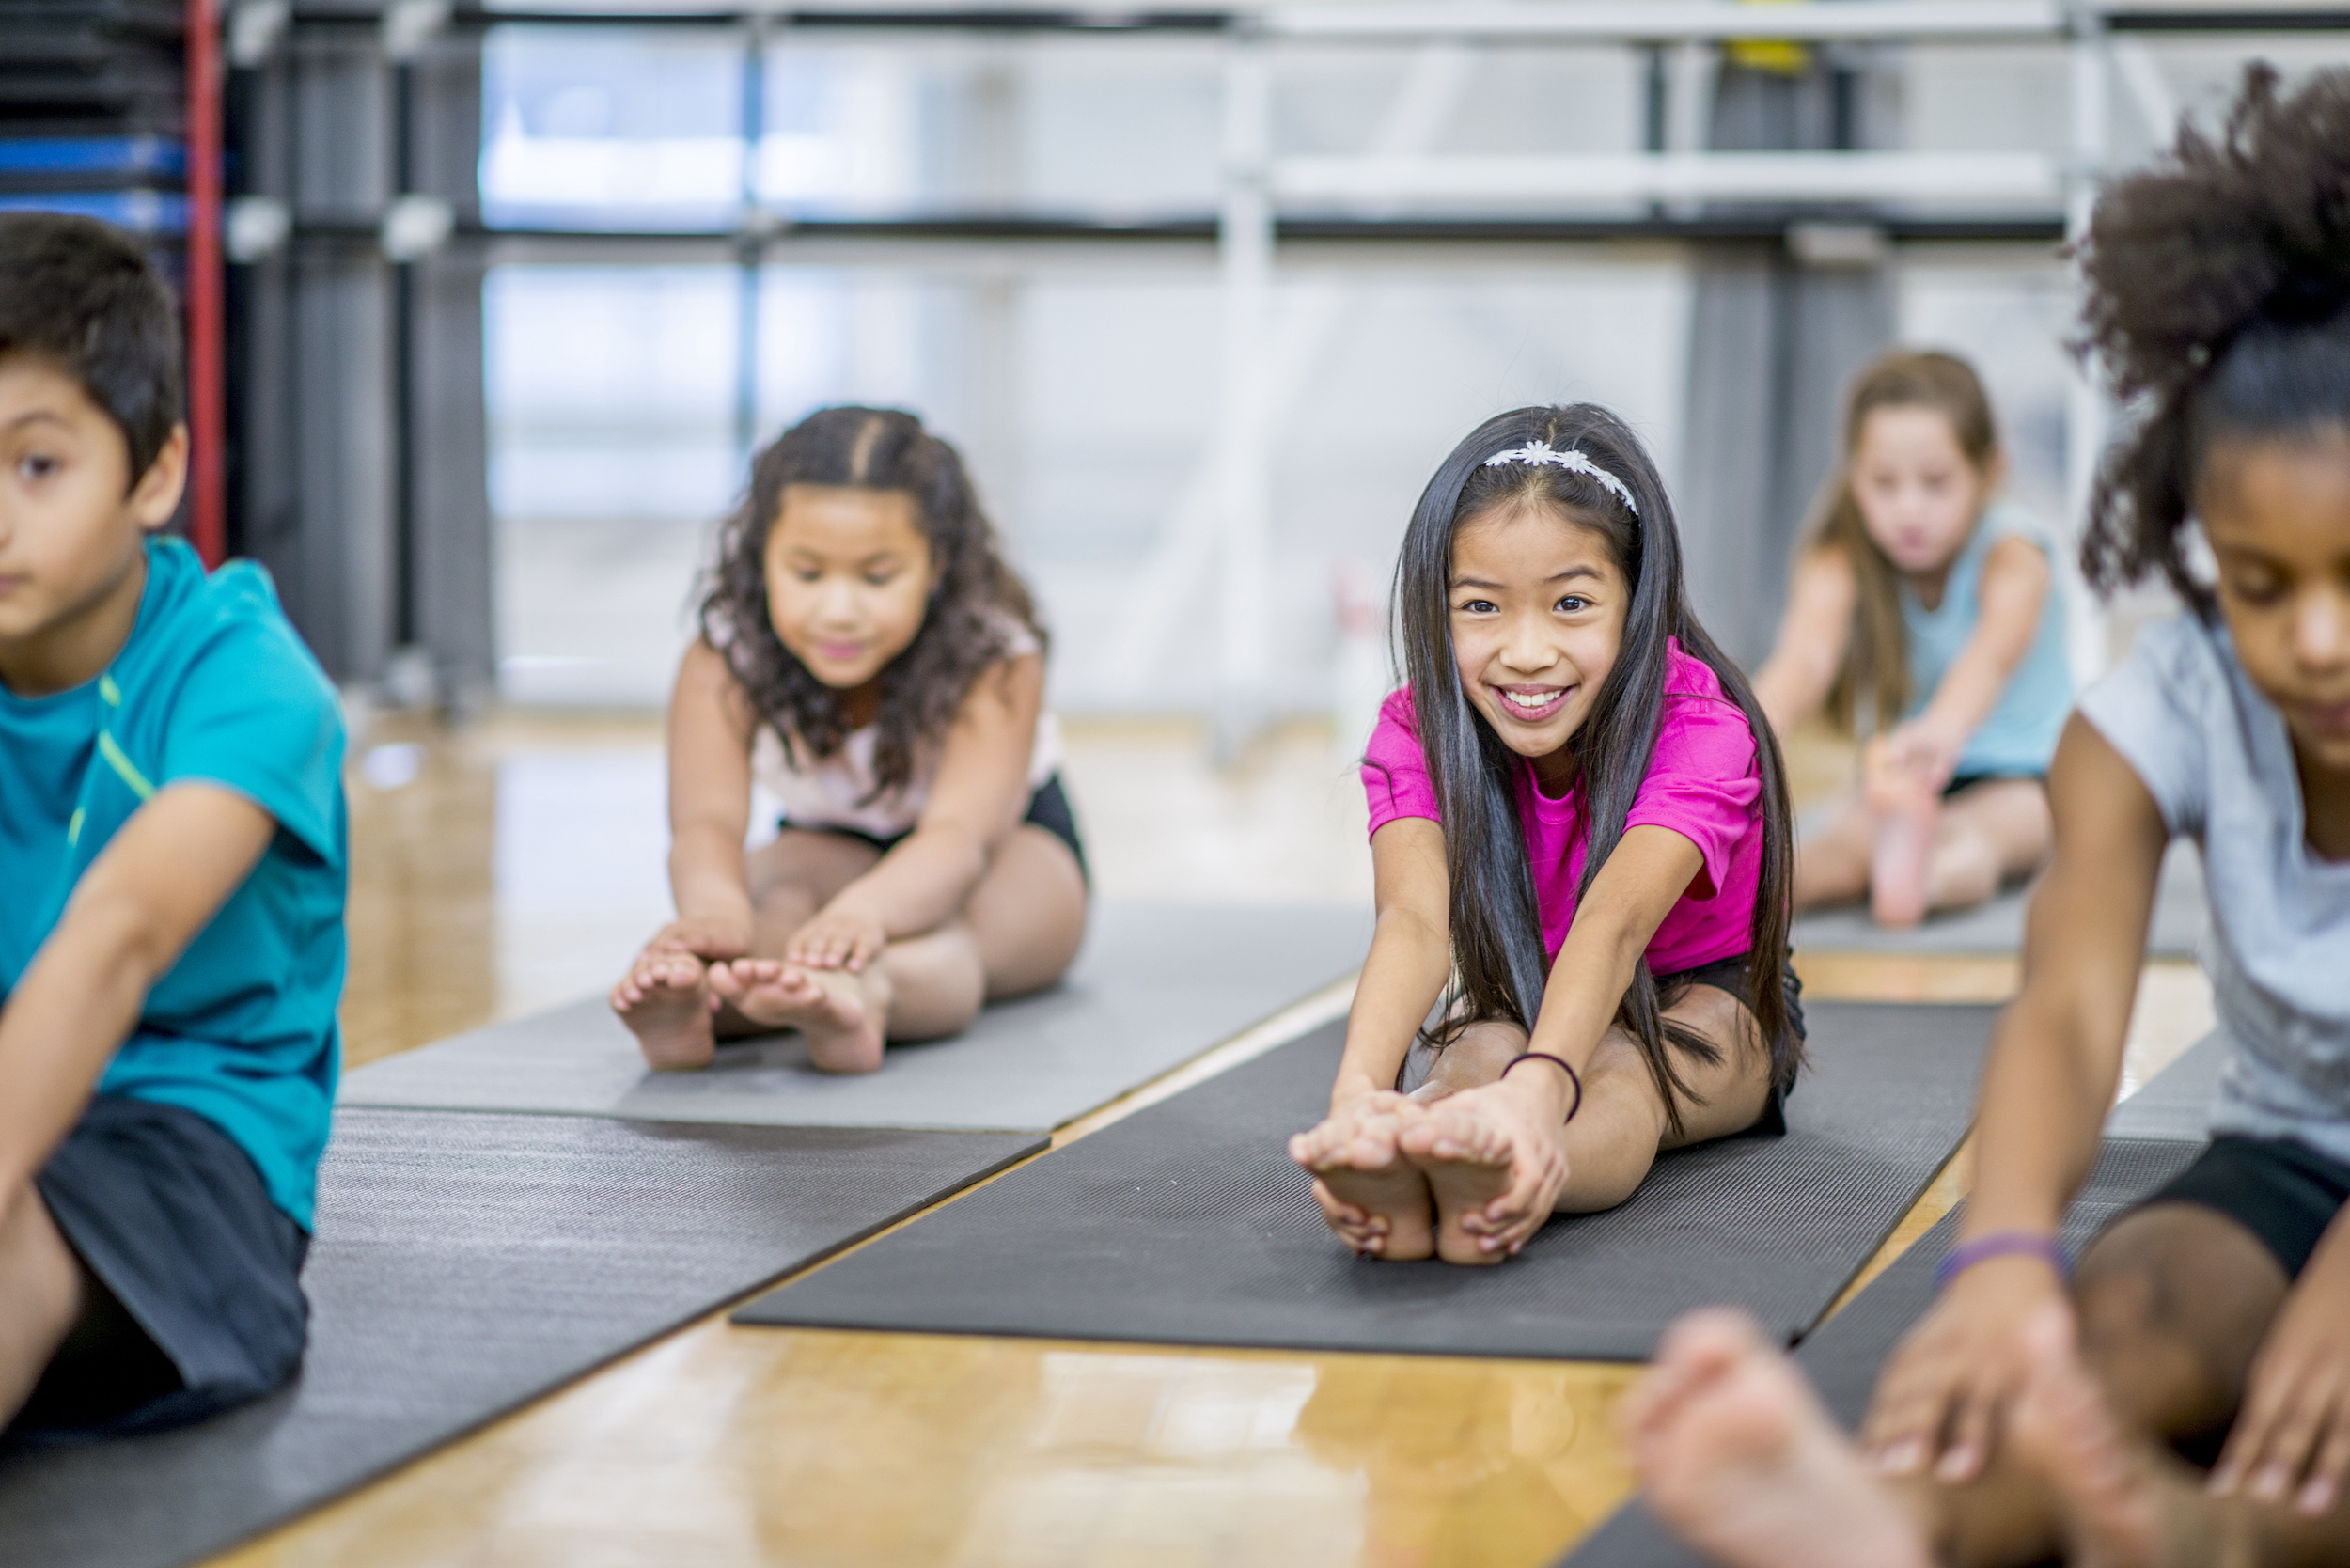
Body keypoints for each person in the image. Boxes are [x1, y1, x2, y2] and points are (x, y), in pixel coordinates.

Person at [1628, 64, 2350, 1567]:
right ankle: (1899, 1522)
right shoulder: (2172, 709)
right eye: (2264, 586)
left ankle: (2215, 1537)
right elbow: (2070, 1013)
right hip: (2291, 1152)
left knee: (2320, 1407)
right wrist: (2006, 1254)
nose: (2318, 641)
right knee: (2124, 1316)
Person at [1286, 403, 1803, 1266]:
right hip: (1525, 991)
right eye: (1482, 606)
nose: (1526, 653)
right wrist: (1358, 1098)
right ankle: (1410, 1160)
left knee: (1628, 1077)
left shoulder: (1701, 727)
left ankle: (1524, 1172)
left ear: (1637, 603)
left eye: (1570, 603)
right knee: (1473, 1051)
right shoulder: (1415, 729)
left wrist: (1535, 1098)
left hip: (1705, 999)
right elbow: (1412, 924)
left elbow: (1615, 924)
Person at [0, 213, 345, 1436]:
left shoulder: (246, 680)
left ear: (155, 474)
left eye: (36, 466)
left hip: (182, 1142)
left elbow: (119, 935)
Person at [610, 406, 1087, 1075]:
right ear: (763, 557)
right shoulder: (725, 658)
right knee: (776, 909)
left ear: (937, 565)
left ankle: (868, 995)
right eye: (807, 574)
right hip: (828, 843)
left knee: (948, 940)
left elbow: (960, 837)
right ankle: (705, 1003)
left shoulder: (994, 655)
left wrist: (866, 914)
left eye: (876, 577)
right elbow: (705, 821)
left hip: (1001, 852)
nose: (838, 610)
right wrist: (714, 914)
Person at [1752, 352, 2072, 926]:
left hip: (2026, 774)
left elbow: (1992, 657)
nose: (1908, 509)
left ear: (1989, 472)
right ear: (1853, 478)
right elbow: (1804, 660)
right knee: (1839, 845)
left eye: (1935, 483)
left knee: (1977, 838)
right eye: (1883, 483)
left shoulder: (2014, 555)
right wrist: (1745, 736)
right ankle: (1738, 905)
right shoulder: (1843, 556)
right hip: (1909, 779)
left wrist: (1942, 729)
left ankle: (1922, 882)